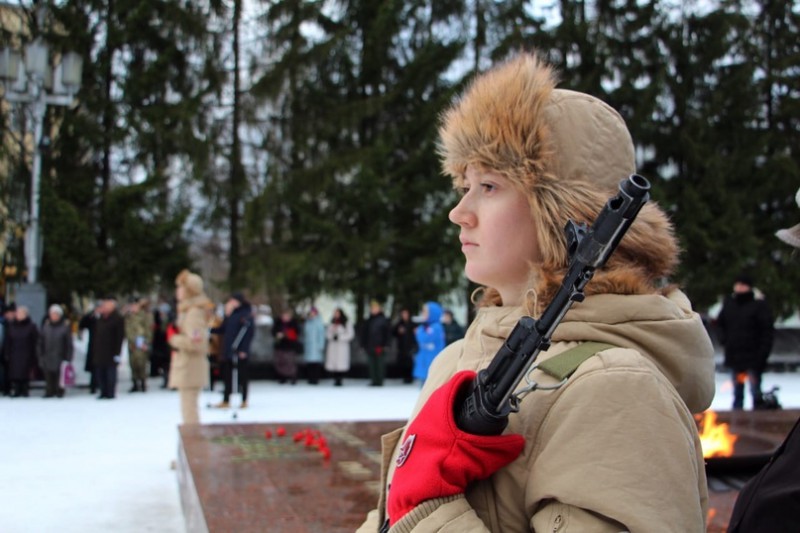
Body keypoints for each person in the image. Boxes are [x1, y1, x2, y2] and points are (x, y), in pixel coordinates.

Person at [357, 52, 715, 532]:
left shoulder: (615, 390)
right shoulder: (460, 358)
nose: (459, 212)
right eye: (463, 185)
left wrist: (426, 513)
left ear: (563, 213)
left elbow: (417, 510)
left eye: (488, 185)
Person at [725, 190, 800, 532]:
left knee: (753, 399)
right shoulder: (732, 306)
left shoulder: (758, 308)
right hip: (738, 358)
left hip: (752, 359)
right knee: (738, 401)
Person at [715, 273, 774, 410]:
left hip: (754, 355)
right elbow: (720, 324)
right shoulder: (729, 303)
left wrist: (763, 352)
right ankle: (738, 421)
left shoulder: (759, 305)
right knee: (737, 393)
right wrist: (724, 340)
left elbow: (766, 330)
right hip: (734, 354)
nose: (740, 288)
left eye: (743, 285)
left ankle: (758, 420)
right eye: (738, 285)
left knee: (755, 391)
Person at [168, 269, 212, 424]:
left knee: (189, 412)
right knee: (188, 409)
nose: (177, 291)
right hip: (188, 367)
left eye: (181, 287)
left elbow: (196, 343)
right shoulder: (188, 311)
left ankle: (193, 444)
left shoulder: (193, 313)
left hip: (190, 368)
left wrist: (174, 338)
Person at [210, 293, 254, 409]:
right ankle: (226, 399)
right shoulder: (230, 315)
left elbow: (248, 333)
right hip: (228, 349)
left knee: (242, 375)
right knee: (227, 375)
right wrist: (211, 330)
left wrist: (243, 349)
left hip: (239, 350)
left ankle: (244, 399)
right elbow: (224, 329)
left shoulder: (245, 314)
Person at [92, 296, 126, 400]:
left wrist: (117, 352)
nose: (104, 307)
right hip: (99, 350)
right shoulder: (100, 318)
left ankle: (110, 392)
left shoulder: (117, 318)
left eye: (107, 305)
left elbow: (120, 336)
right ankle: (103, 391)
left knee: (110, 372)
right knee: (100, 372)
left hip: (111, 350)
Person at [37, 304, 74, 398]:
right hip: (47, 356)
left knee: (59, 374)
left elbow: (69, 344)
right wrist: (40, 355)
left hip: (60, 356)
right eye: (52, 314)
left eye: (56, 314)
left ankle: (59, 391)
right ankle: (49, 391)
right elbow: (40, 342)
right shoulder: (45, 327)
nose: (54, 316)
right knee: (48, 374)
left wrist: (68, 358)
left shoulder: (65, 328)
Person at [3, 305, 38, 398]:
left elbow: (35, 341)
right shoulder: (12, 326)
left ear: (26, 314)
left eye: (21, 313)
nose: (18, 315)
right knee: (15, 372)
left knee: (25, 371)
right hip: (14, 352)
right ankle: (16, 389)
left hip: (27, 352)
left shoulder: (31, 326)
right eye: (17, 313)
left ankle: (25, 389)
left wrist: (34, 353)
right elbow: (7, 341)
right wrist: (7, 353)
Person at [412, 301, 445, 386]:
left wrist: (419, 332)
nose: (423, 313)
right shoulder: (426, 326)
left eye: (425, 311)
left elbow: (423, 338)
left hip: (431, 360)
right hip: (425, 359)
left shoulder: (436, 327)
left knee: (430, 385)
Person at [125, 297, 153, 393]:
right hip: (131, 343)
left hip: (141, 342)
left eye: (134, 305)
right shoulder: (128, 316)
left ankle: (143, 382)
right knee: (132, 363)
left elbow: (149, 330)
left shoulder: (144, 315)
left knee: (141, 363)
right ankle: (135, 383)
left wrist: (147, 342)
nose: (132, 307)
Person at [360, 300, 391, 387]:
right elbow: (364, 333)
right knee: (372, 365)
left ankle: (379, 381)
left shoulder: (384, 320)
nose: (373, 310)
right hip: (370, 346)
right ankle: (373, 380)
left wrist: (386, 345)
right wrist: (363, 344)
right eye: (372, 308)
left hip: (380, 347)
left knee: (380, 365)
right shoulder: (368, 320)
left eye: (375, 308)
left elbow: (387, 334)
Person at [325, 307, 354, 386]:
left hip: (342, 346)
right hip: (333, 346)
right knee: (334, 363)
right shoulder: (331, 323)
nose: (336, 315)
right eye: (335, 313)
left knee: (341, 363)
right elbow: (327, 334)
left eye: (337, 313)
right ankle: (335, 379)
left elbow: (350, 335)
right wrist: (332, 336)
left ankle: (340, 379)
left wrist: (340, 337)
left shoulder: (346, 323)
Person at [272, 309, 302, 384]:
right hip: (280, 345)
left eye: (287, 316)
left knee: (290, 362)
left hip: (290, 346)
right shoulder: (278, 323)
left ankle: (293, 377)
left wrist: (287, 334)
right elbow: (273, 332)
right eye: (284, 316)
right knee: (280, 362)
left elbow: (297, 333)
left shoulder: (293, 323)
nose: (285, 317)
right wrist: (277, 334)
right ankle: (282, 377)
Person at [78, 302, 101, 394]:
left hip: (104, 346)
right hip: (93, 345)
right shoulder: (91, 318)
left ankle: (100, 384)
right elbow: (82, 323)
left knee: (102, 367)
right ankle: (93, 385)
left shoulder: (105, 318)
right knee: (93, 367)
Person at [392, 308, 418, 384]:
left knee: (410, 363)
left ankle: (410, 378)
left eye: (406, 314)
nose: (405, 315)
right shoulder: (399, 324)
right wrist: (398, 331)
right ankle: (404, 377)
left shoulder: (413, 324)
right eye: (403, 314)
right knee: (403, 362)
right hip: (402, 347)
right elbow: (393, 333)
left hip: (410, 346)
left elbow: (417, 334)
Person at [303, 307, 326, 385]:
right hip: (309, 346)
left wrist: (321, 345)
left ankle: (315, 378)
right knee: (310, 363)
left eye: (313, 313)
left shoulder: (319, 323)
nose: (312, 314)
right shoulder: (308, 322)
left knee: (316, 363)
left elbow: (321, 335)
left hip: (316, 346)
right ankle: (310, 378)